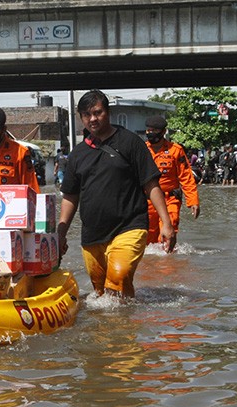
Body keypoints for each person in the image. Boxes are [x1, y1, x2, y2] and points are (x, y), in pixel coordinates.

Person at [57, 90, 174, 299]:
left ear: (108, 112)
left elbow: (151, 184)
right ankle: (119, 327)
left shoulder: (131, 143)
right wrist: (60, 233)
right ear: (80, 118)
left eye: (97, 112)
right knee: (101, 293)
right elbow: (70, 197)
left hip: (129, 226)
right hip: (92, 234)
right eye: (86, 115)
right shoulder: (77, 154)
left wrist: (166, 223)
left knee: (118, 276)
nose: (92, 119)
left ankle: (123, 328)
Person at [143, 115, 200, 247]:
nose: (150, 134)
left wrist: (193, 200)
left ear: (163, 132)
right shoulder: (142, 151)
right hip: (148, 201)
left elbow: (186, 177)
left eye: (154, 130)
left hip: (170, 199)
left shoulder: (176, 150)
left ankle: (168, 266)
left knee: (169, 231)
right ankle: (150, 266)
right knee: (148, 240)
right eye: (148, 130)